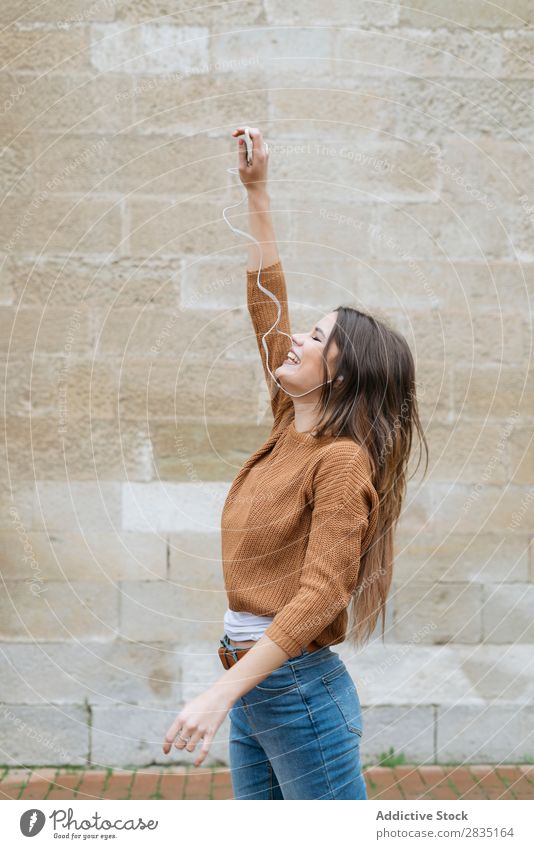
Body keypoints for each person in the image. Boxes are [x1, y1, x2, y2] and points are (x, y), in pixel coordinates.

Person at [163, 126, 428, 800]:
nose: (294, 340)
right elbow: (265, 305)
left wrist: (220, 692)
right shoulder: (291, 426)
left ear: (340, 376)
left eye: (315, 338)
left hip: (293, 692)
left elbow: (320, 596)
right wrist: (257, 193)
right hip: (261, 687)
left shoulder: (342, 462)